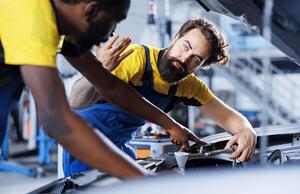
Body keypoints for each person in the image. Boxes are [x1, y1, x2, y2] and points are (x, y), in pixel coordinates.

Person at [0, 0, 203, 179]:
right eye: (114, 21)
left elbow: (109, 85)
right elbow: (56, 120)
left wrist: (170, 124)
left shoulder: (59, 22)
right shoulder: (32, 17)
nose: (109, 35)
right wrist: (142, 178)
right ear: (92, 10)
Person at [66, 18, 257, 176]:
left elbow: (228, 117)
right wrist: (100, 70)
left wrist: (248, 132)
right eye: (185, 46)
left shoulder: (188, 86)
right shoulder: (137, 59)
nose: (184, 59)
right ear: (176, 37)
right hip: (87, 143)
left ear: (201, 67)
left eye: (196, 59)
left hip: (119, 146)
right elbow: (76, 102)